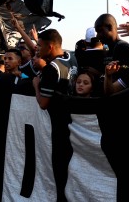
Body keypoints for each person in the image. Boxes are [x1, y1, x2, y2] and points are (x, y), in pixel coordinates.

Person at [31, 28, 77, 202]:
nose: (37, 49)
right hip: (74, 123)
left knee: (59, 168)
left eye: (40, 46)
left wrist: (36, 84)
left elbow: (43, 103)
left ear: (50, 47)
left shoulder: (52, 68)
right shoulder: (71, 57)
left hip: (58, 124)